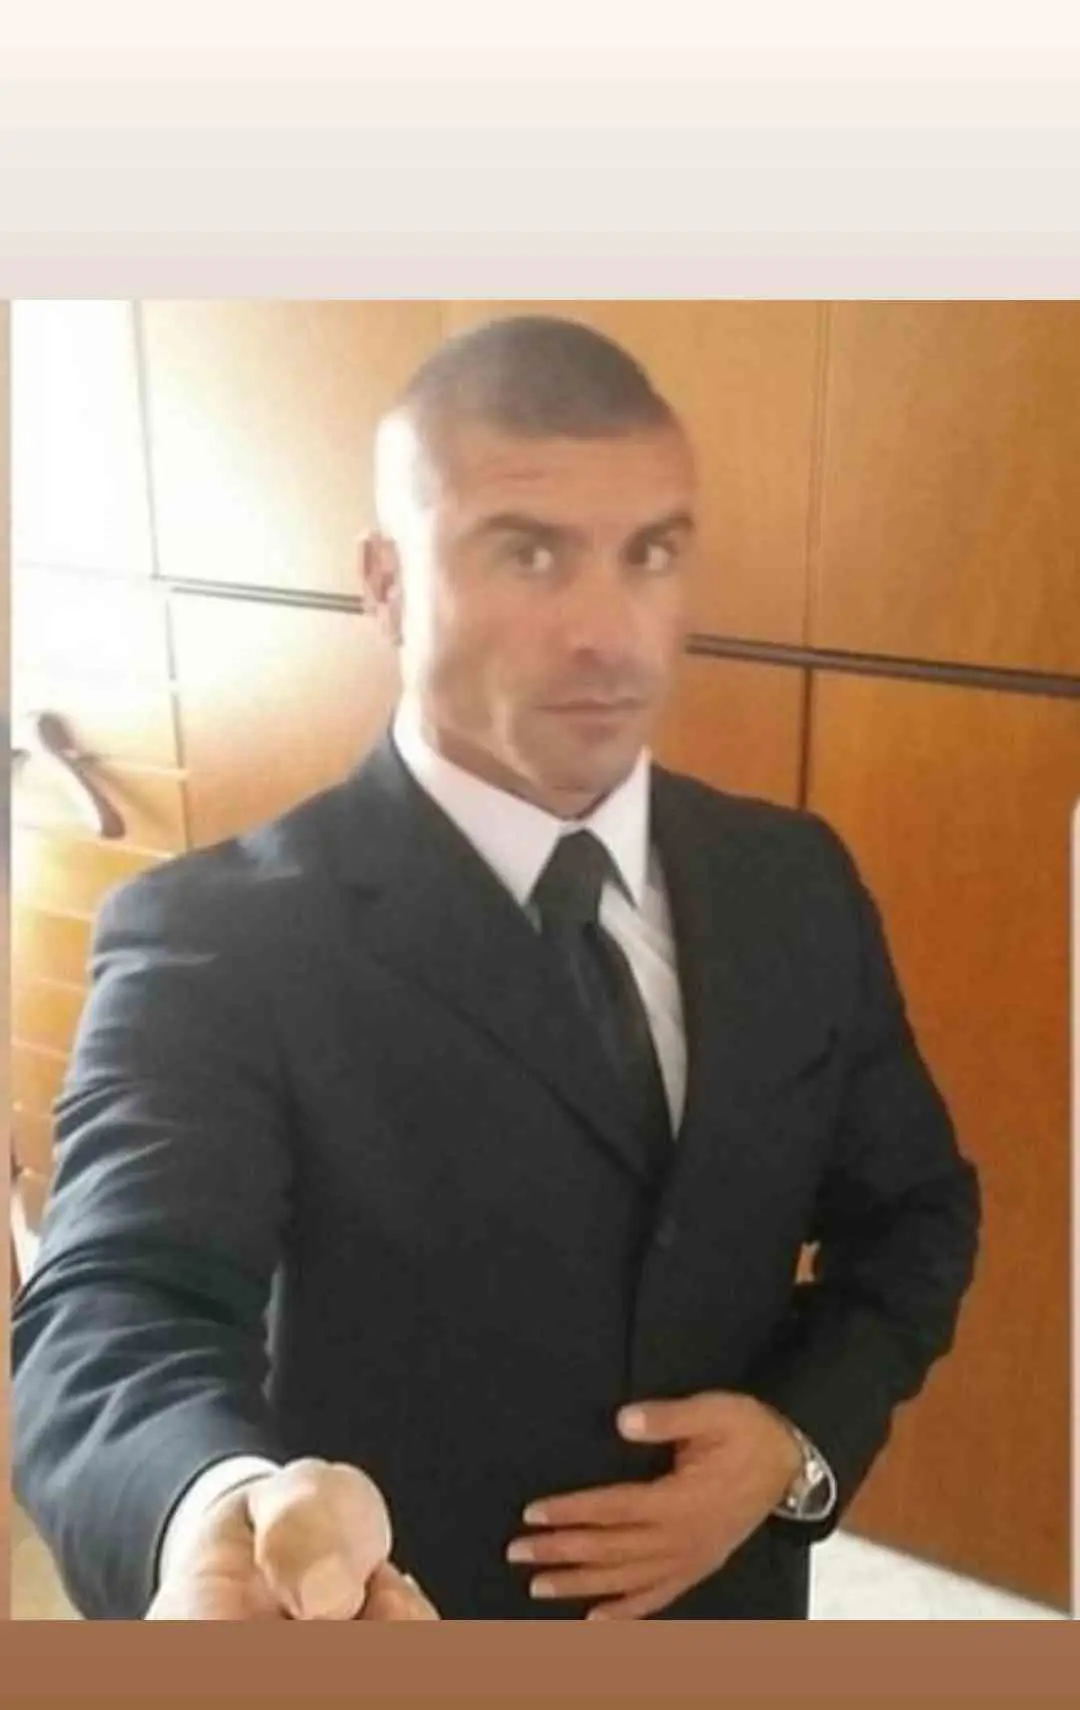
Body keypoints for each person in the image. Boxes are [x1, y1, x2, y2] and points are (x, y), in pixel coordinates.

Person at [12, 315, 981, 1622]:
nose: (607, 631)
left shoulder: (795, 881)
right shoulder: (217, 939)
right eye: (528, 553)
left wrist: (792, 1443)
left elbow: (915, 1216)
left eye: (650, 555)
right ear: (385, 582)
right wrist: (210, 1508)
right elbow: (114, 1307)